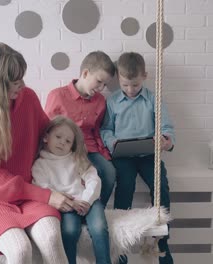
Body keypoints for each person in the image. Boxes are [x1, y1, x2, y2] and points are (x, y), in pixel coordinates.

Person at [0, 42, 72, 264]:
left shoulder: (27, 98)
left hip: (29, 191)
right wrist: (47, 195)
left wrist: (73, 144)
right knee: (19, 250)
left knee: (50, 237)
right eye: (16, 81)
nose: (22, 85)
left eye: (22, 78)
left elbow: (45, 136)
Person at [100, 52, 175, 264]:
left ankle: (162, 241)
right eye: (125, 85)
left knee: (161, 184)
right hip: (123, 156)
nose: (130, 90)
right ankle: (120, 245)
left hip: (148, 155)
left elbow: (167, 128)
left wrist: (165, 140)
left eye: (134, 85)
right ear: (119, 81)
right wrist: (113, 142)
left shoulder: (153, 100)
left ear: (144, 76)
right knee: (125, 186)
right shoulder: (113, 102)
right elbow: (105, 129)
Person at [32, 116, 112, 264]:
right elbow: (42, 187)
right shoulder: (40, 165)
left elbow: (93, 179)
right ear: (45, 137)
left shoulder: (75, 159)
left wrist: (86, 200)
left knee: (99, 228)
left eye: (68, 141)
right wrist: (70, 203)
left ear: (72, 146)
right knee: (69, 232)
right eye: (58, 137)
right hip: (66, 206)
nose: (62, 142)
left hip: (87, 201)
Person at [45, 51, 116, 207]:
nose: (101, 87)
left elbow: (96, 130)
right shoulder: (57, 95)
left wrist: (105, 154)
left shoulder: (100, 101)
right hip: (66, 150)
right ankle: (72, 208)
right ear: (85, 73)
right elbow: (48, 129)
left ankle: (94, 209)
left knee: (109, 173)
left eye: (105, 84)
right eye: (99, 81)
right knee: (72, 179)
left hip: (91, 149)